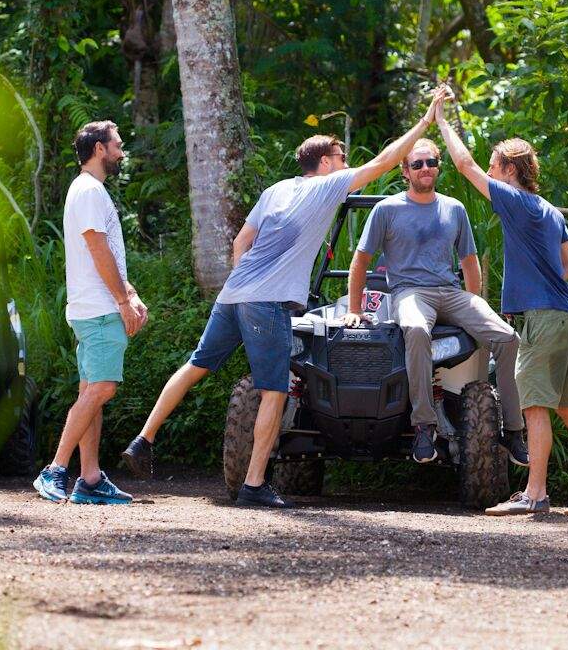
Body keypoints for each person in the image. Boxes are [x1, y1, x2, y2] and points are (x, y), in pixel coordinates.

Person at [119, 89, 445, 508]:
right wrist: (423, 124)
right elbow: (383, 162)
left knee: (196, 365)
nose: (347, 166)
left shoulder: (276, 190)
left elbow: (241, 242)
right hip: (267, 301)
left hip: (234, 295)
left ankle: (144, 439)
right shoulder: (327, 187)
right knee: (274, 390)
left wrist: (244, 281)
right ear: (325, 163)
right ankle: (255, 485)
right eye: (342, 159)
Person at [434, 106, 568, 516]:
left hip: (541, 317)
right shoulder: (549, 209)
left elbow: (463, 164)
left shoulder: (516, 201)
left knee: (534, 404)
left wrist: (442, 120)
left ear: (506, 168)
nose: (487, 168)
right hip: (564, 315)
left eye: (493, 164)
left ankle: (535, 494)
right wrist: (541, 277)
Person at [344, 109, 528, 468]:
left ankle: (514, 431)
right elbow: (360, 261)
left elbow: (470, 263)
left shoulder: (454, 208)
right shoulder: (387, 209)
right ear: (405, 171)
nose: (425, 168)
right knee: (414, 329)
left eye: (432, 162)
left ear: (438, 167)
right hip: (410, 292)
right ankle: (424, 426)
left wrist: (478, 309)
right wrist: (353, 310)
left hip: (452, 292)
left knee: (507, 339)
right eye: (417, 164)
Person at [34, 121, 148, 505]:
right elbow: (97, 249)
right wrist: (120, 301)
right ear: (99, 149)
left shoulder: (90, 191)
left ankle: (91, 479)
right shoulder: (88, 190)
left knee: (91, 391)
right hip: (98, 308)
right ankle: (54, 469)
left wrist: (129, 292)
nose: (121, 151)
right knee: (102, 388)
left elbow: (106, 253)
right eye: (117, 145)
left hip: (96, 304)